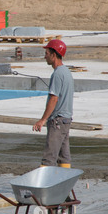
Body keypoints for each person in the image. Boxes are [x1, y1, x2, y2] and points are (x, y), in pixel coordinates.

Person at [32, 39, 74, 168]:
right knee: (64, 157)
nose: (45, 56)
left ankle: (43, 187)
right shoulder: (66, 72)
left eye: (47, 53)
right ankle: (64, 186)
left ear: (53, 55)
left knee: (49, 158)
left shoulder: (57, 74)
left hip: (57, 121)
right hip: (66, 120)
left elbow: (54, 99)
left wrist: (42, 120)